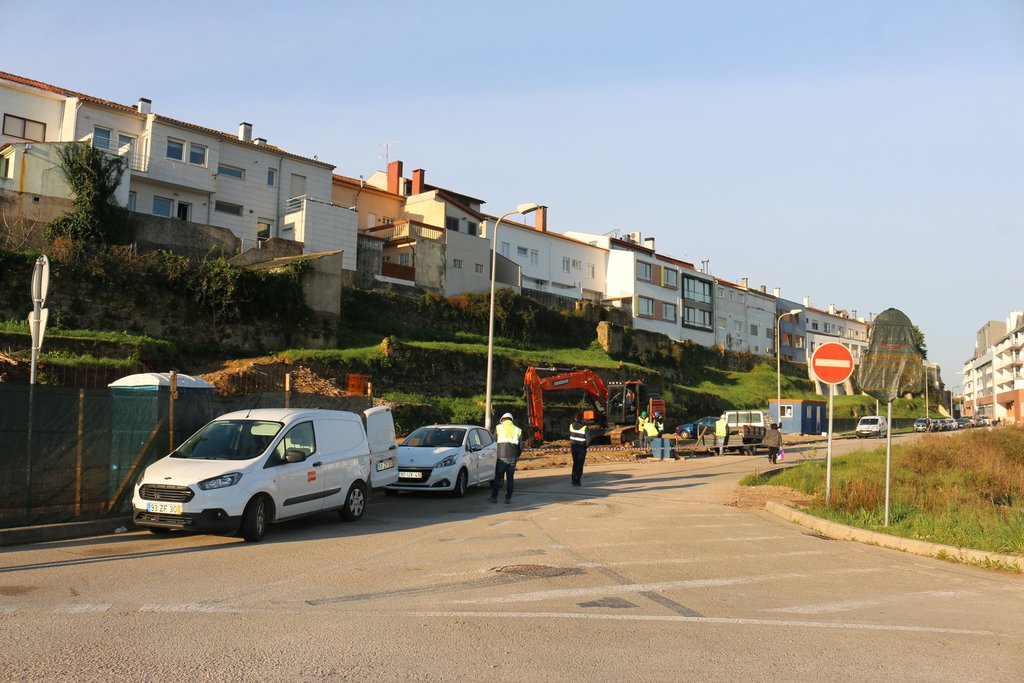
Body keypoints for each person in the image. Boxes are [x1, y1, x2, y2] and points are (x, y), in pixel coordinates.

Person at [490, 412, 523, 504]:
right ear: (511, 420)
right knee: (510, 478)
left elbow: (494, 440)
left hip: (501, 456)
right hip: (512, 457)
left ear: (503, 419)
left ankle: (494, 497)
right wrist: (517, 455)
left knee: (498, 478)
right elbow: (521, 446)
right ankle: (508, 498)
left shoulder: (498, 428)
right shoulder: (518, 430)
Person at [568, 412, 588, 486]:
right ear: (582, 418)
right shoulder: (584, 427)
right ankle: (578, 480)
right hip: (581, 448)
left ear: (575, 418)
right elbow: (588, 438)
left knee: (575, 464)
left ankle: (573, 479)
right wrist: (586, 446)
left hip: (574, 447)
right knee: (580, 465)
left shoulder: (571, 426)